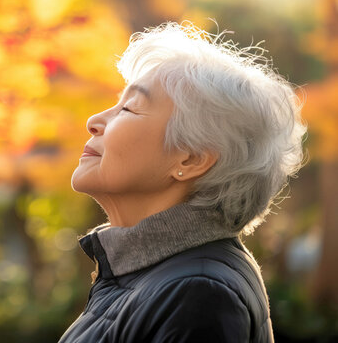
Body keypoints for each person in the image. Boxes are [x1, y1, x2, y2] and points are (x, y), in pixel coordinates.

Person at [59, 22, 306, 343]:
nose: (94, 121)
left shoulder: (198, 293)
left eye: (129, 107)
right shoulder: (166, 278)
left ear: (191, 159)